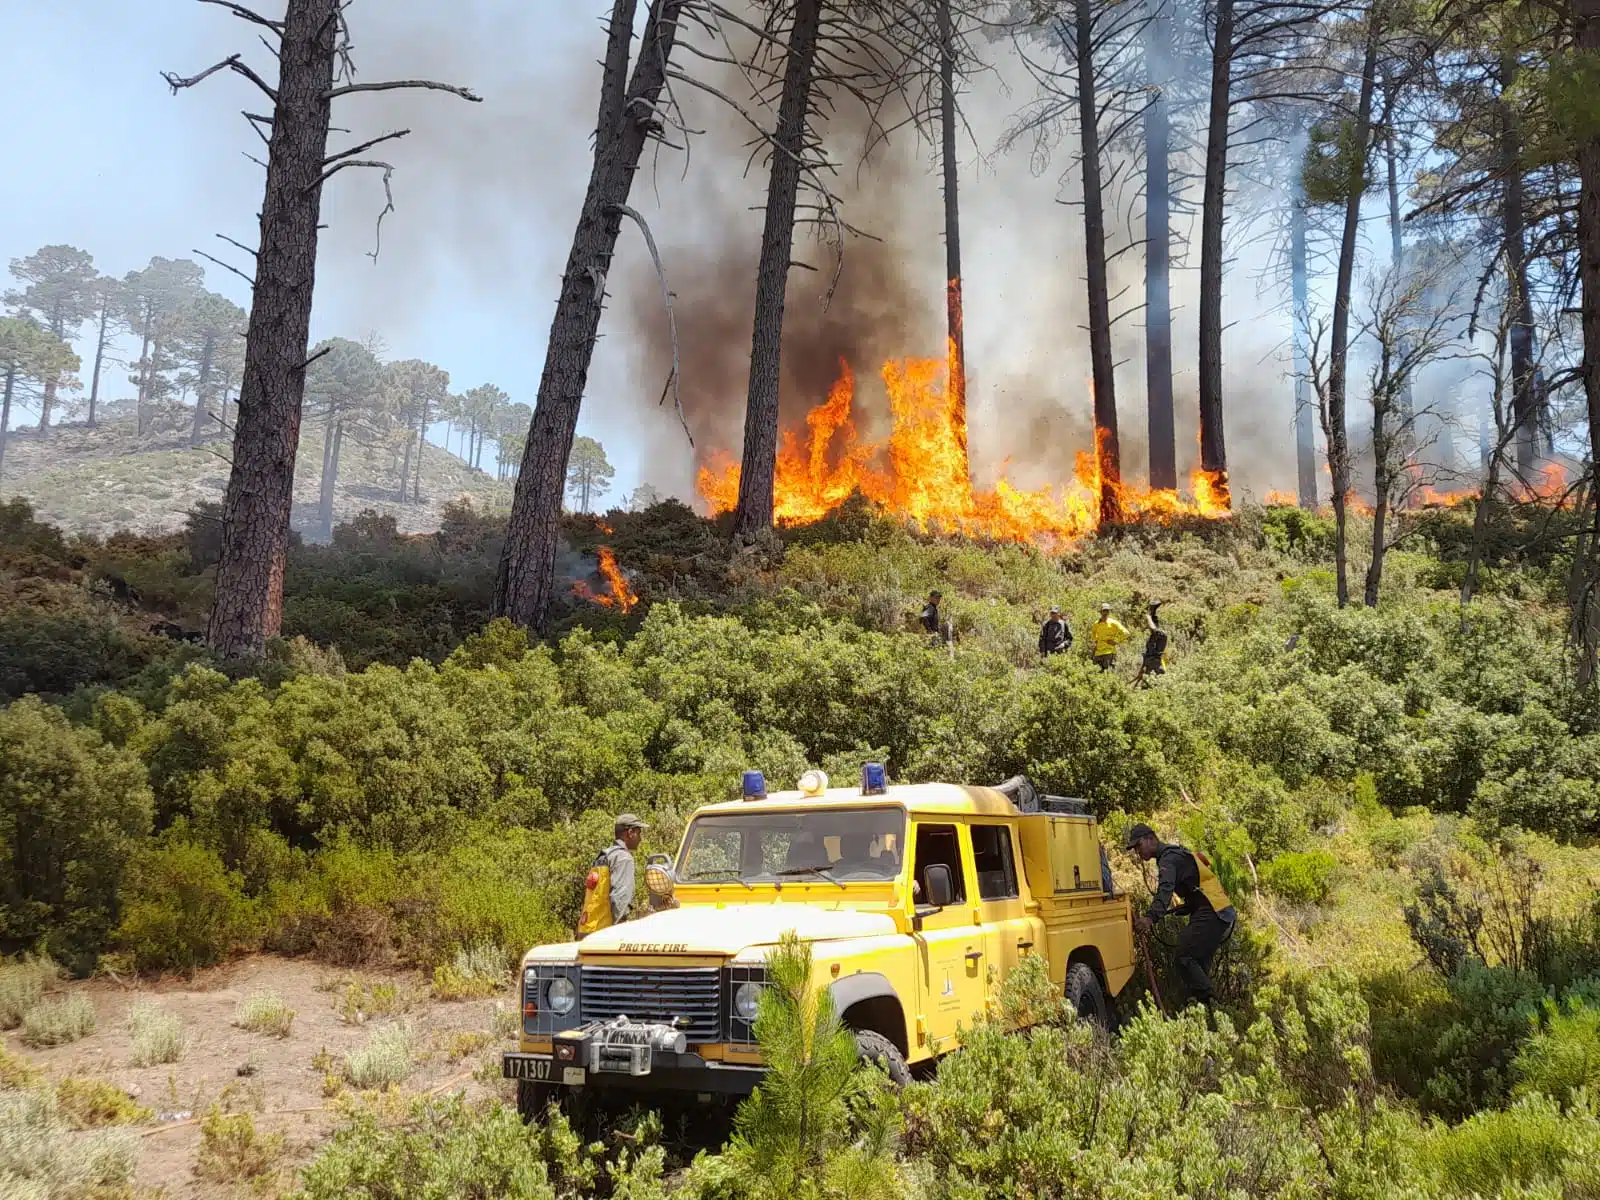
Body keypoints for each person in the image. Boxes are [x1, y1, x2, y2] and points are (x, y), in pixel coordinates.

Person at [1124, 823, 1236, 1009]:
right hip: (1218, 910)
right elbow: (1197, 884)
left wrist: (1150, 918)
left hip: (1212, 911)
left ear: (1151, 838)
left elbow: (1164, 892)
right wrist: (1189, 906)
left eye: (1138, 845)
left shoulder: (1168, 859)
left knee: (1184, 957)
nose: (1137, 851)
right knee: (1198, 964)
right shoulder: (1176, 853)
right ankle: (1206, 1013)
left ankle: (1214, 1005)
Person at [575, 814, 648, 939]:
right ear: (630, 833)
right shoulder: (623, 858)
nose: (640, 839)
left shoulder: (605, 856)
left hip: (587, 930)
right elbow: (620, 899)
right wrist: (620, 933)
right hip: (604, 935)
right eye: (639, 833)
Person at [1133, 602, 1169, 687]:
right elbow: (1147, 656)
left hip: (1157, 671)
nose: (1148, 626)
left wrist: (1148, 617)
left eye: (1149, 624)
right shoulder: (1152, 638)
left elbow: (1154, 630)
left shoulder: (1162, 635)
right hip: (1149, 671)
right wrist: (1141, 672)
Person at [1089, 603, 1130, 671]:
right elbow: (1093, 633)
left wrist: (1116, 641)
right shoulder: (1096, 623)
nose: (1105, 612)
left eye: (1107, 611)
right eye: (1104, 610)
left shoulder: (1113, 623)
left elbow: (1126, 633)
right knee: (1096, 674)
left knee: (1109, 674)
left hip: (1109, 653)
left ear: (1109, 612)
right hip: (1098, 653)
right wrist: (1096, 640)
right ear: (1100, 612)